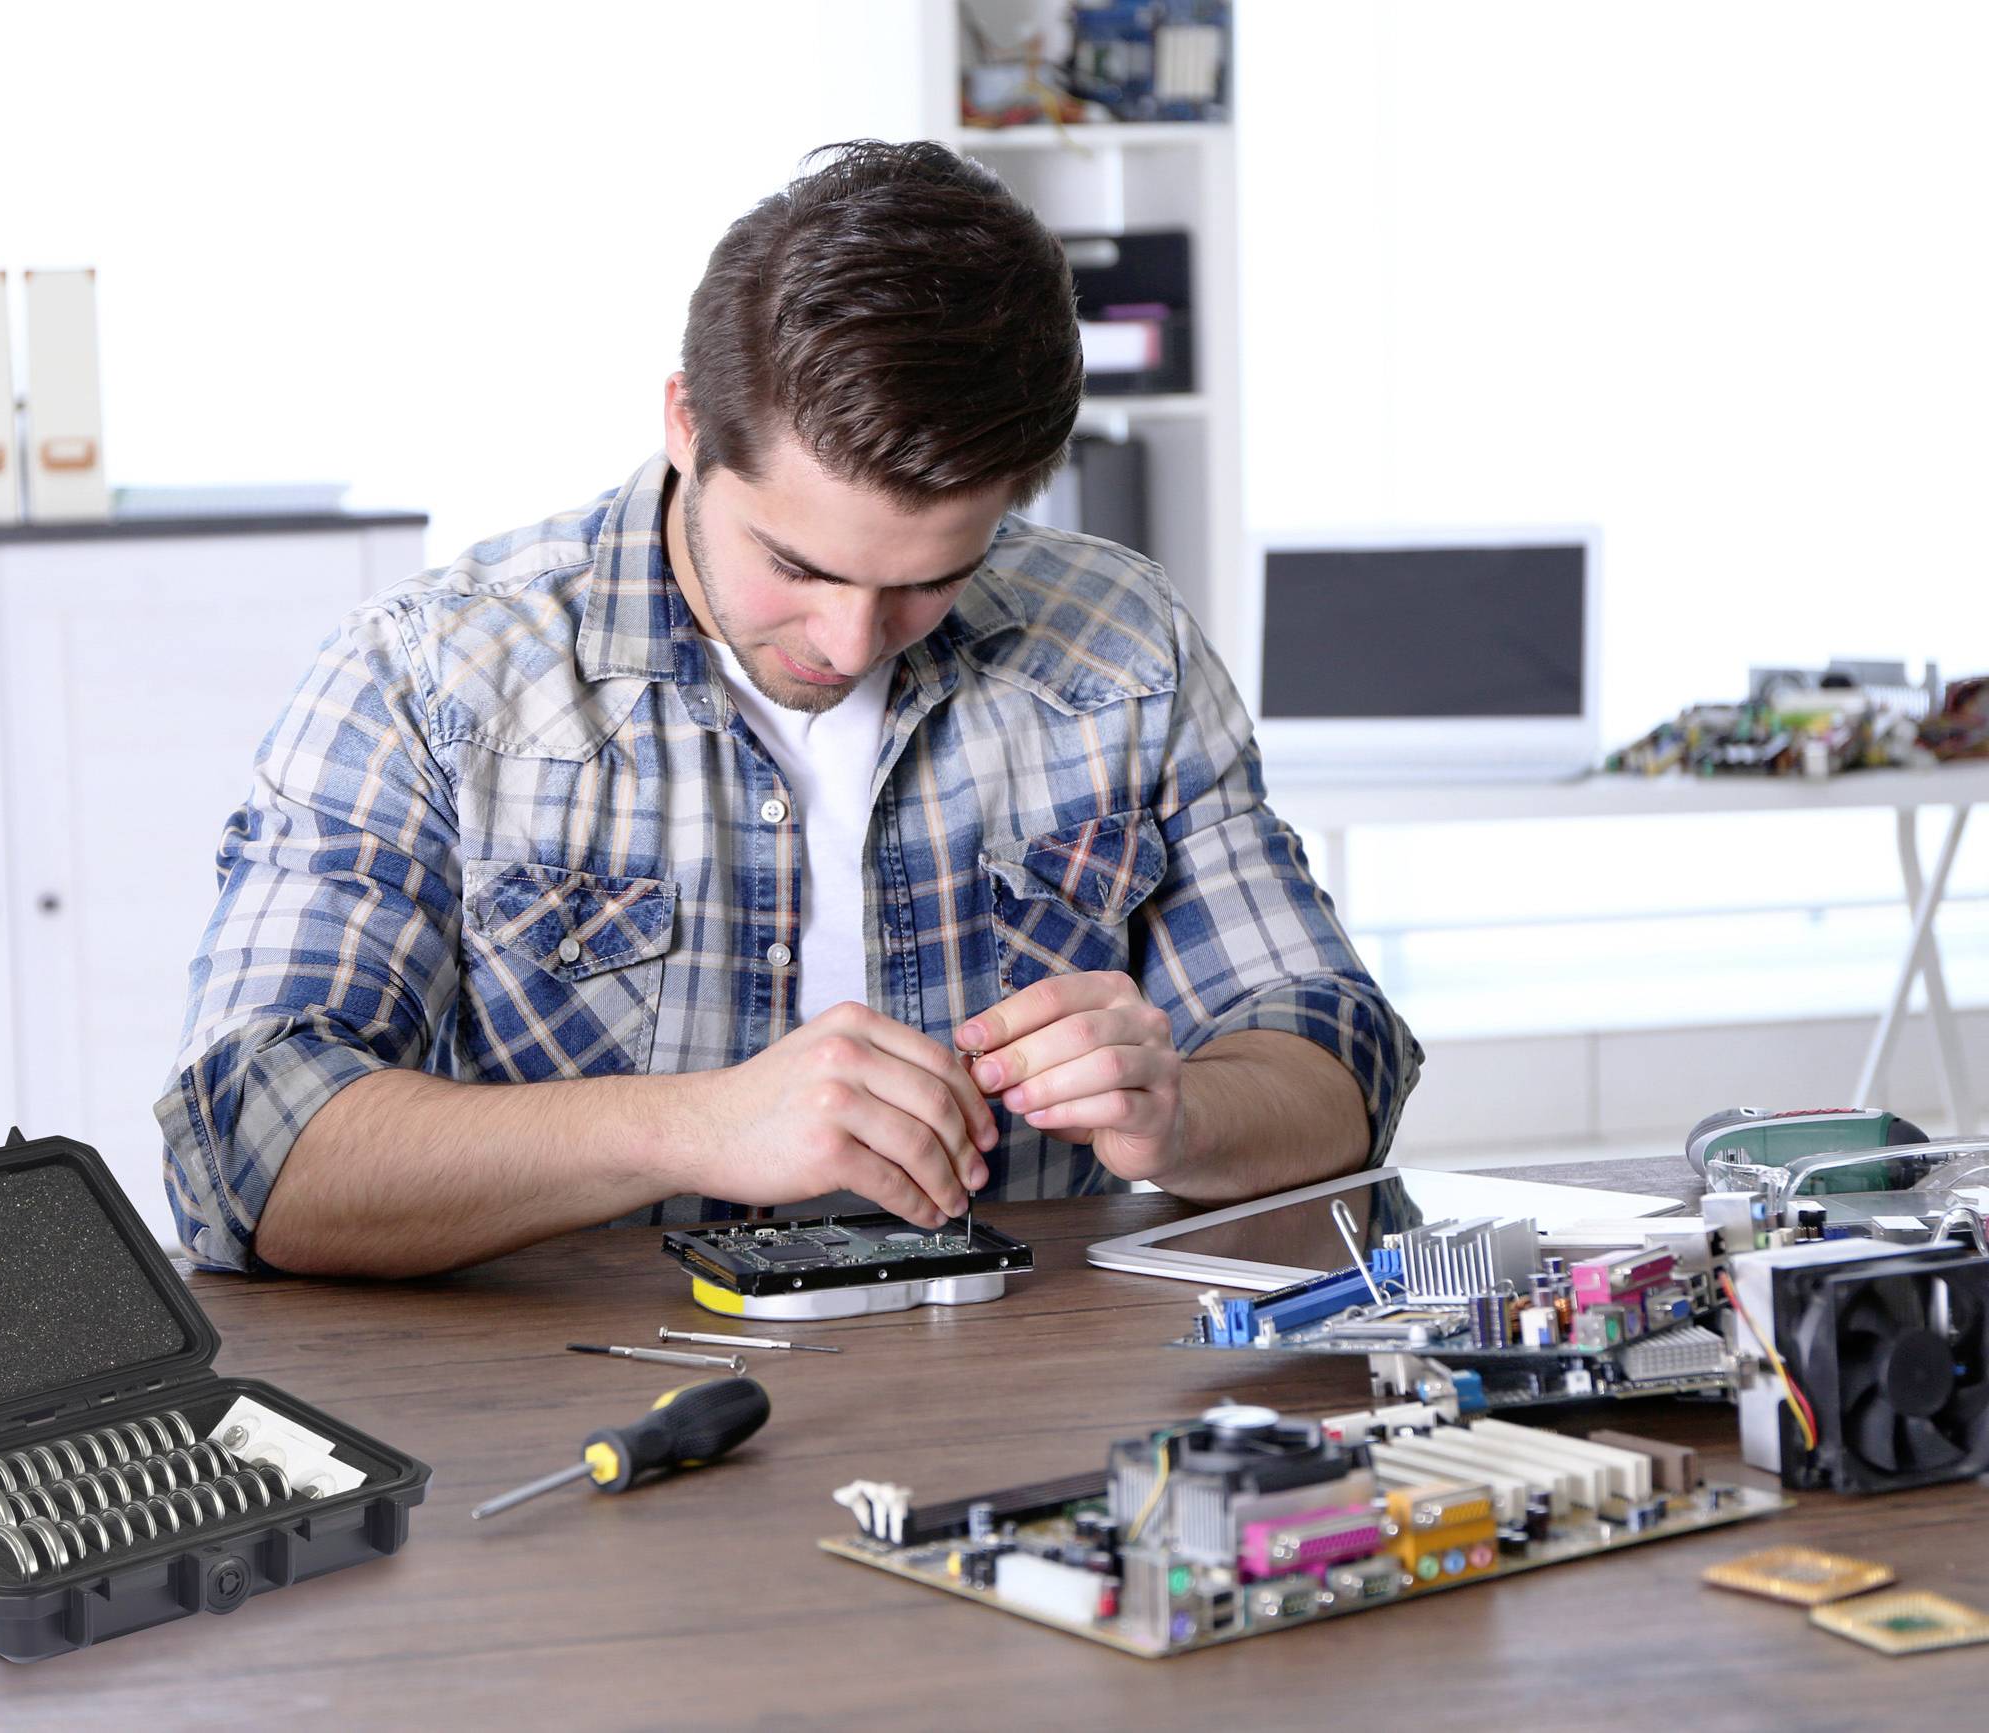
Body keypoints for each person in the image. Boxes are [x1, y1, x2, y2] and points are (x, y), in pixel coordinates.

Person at [157, 140, 1420, 1278]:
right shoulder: (428, 678)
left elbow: (1332, 1056)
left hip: (1027, 1400)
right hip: (598, 1421)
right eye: (798, 566)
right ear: (684, 427)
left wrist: (1182, 1112)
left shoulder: (1120, 643)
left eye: (932, 577)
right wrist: (692, 1123)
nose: (849, 640)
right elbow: (245, 1151)